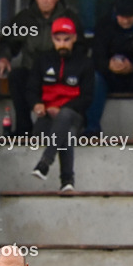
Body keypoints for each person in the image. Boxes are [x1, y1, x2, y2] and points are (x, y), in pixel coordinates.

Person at [0, 0, 84, 137]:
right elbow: (8, 43)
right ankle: (23, 129)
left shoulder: (69, 18)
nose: (45, 0)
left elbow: (80, 50)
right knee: (17, 77)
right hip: (32, 73)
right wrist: (3, 58)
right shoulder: (24, 18)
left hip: (60, 75)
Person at [28, 17, 93, 193]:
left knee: (65, 117)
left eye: (66, 39)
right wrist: (37, 105)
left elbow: (87, 98)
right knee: (67, 133)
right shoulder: (42, 60)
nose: (62, 44)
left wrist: (64, 109)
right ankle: (67, 182)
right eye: (58, 40)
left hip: (74, 116)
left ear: (74, 38)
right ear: (52, 39)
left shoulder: (85, 63)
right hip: (47, 119)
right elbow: (31, 89)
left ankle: (44, 164)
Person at [86, 0, 133, 136]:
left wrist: (132, 67)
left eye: (130, 16)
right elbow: (96, 57)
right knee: (95, 79)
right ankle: (92, 127)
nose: (126, 20)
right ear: (115, 12)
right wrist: (109, 66)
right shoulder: (104, 24)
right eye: (122, 16)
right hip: (109, 76)